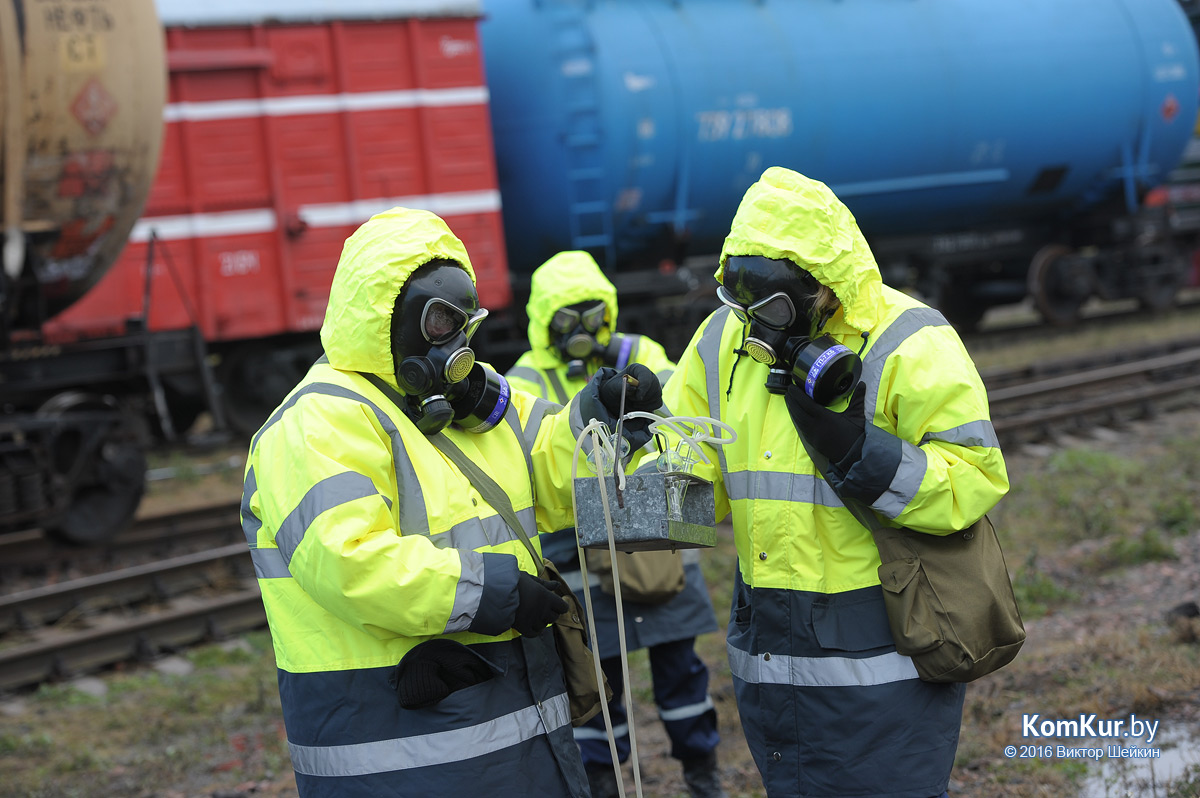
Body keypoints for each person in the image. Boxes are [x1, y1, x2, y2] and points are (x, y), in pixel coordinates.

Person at [239, 208, 663, 798]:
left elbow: (549, 466)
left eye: (466, 321)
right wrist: (490, 592)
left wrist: (599, 418)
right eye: (440, 321)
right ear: (384, 318)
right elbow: (348, 561)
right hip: (393, 744)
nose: (456, 341)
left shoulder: (457, 401)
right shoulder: (318, 421)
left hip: (506, 719)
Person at [659, 168, 1010, 798]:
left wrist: (861, 453)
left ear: (824, 289)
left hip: (883, 657)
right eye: (740, 306)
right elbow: (684, 481)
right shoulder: (721, 341)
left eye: (769, 308)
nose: (754, 327)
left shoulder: (908, 339)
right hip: (769, 660)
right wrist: (628, 447)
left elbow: (975, 483)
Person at [506, 251, 726, 798]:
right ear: (543, 320)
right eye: (566, 318)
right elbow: (526, 465)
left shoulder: (641, 355)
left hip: (658, 545)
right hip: (580, 557)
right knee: (597, 679)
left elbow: (682, 432)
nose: (582, 330)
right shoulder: (525, 377)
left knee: (681, 669)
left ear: (609, 309)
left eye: (592, 313)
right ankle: (605, 781)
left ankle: (703, 775)